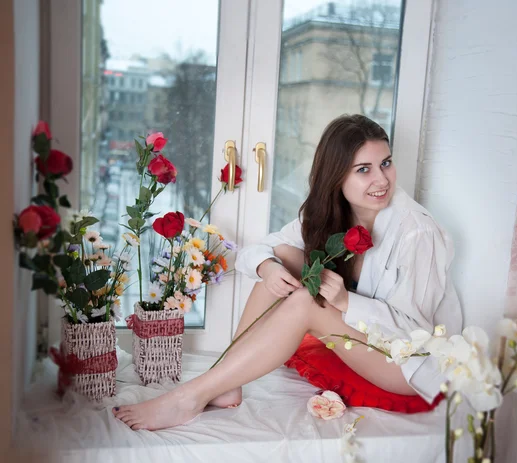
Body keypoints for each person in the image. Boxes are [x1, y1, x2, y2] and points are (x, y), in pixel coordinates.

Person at [113, 114, 463, 431]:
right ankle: (226, 380)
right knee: (279, 258)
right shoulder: (332, 212)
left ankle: (188, 397)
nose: (382, 179)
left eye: (385, 163)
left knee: (304, 303)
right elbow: (258, 251)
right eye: (364, 169)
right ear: (336, 174)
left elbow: (415, 333)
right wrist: (267, 267)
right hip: (362, 341)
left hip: (406, 365)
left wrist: (345, 302)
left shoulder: (417, 232)